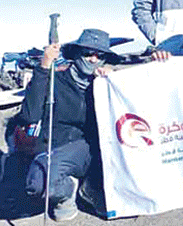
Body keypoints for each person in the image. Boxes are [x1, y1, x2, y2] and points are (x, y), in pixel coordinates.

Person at [17, 29, 117, 222]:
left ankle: (90, 188)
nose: (94, 59)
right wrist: (44, 68)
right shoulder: (55, 80)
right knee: (39, 184)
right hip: (55, 147)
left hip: (91, 149)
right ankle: (66, 190)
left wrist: (114, 81)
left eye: (100, 55)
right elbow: (29, 116)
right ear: (76, 55)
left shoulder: (104, 83)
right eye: (88, 53)